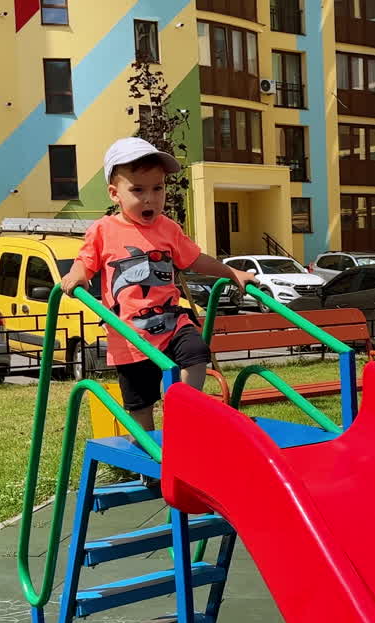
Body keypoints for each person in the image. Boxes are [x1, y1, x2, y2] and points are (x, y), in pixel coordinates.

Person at [61, 137, 254, 432]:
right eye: (137, 190)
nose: (149, 198)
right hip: (129, 336)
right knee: (140, 405)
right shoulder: (103, 229)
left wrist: (230, 272)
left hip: (170, 323)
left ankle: (182, 414)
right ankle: (149, 462)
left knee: (196, 351)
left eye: (158, 188)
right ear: (115, 193)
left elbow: (195, 259)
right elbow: (86, 260)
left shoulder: (168, 228)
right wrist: (77, 276)